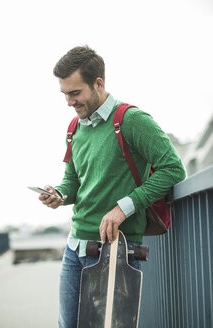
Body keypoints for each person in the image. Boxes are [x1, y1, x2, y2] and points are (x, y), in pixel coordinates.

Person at [39, 45, 186, 328]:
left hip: (117, 248)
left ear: (98, 84)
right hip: (75, 245)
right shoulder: (75, 127)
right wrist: (59, 194)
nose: (69, 101)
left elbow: (173, 168)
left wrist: (123, 208)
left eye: (75, 93)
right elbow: (73, 181)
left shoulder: (132, 120)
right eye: (65, 94)